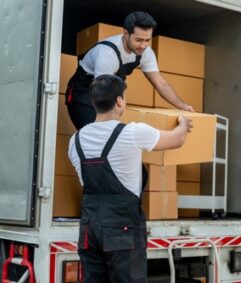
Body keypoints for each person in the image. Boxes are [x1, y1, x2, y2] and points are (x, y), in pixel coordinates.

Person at [68, 74, 192, 282]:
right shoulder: (133, 132)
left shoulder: (75, 140)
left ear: (93, 102)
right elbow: (177, 139)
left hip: (90, 226)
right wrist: (183, 123)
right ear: (119, 101)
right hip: (121, 226)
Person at [65, 11, 194, 130]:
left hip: (108, 92)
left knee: (111, 136)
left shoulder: (145, 52)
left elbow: (161, 83)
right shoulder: (107, 53)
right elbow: (103, 92)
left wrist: (182, 106)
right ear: (126, 33)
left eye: (147, 40)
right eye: (138, 40)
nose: (143, 45)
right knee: (96, 136)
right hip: (83, 94)